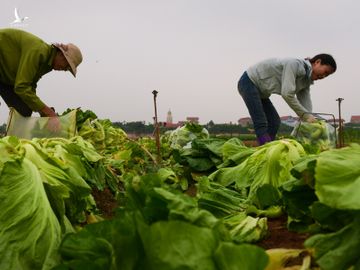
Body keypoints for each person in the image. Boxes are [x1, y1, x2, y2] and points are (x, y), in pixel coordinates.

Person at [237, 54, 337, 145]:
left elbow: (306, 105)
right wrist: (305, 115)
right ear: (317, 62)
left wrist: (311, 119)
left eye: (327, 75)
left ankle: (267, 146)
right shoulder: (294, 64)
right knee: (261, 122)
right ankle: (264, 147)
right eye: (325, 72)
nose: (323, 76)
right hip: (249, 82)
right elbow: (287, 94)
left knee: (274, 121)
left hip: (261, 92)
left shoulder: (306, 80)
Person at [0, 28, 82, 131]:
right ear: (61, 54)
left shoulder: (48, 64)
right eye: (67, 66)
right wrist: (47, 111)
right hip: (4, 68)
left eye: (68, 69)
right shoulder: (38, 51)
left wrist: (42, 110)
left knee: (24, 109)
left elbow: (30, 85)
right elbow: (21, 87)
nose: (65, 70)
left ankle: (14, 140)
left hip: (5, 76)